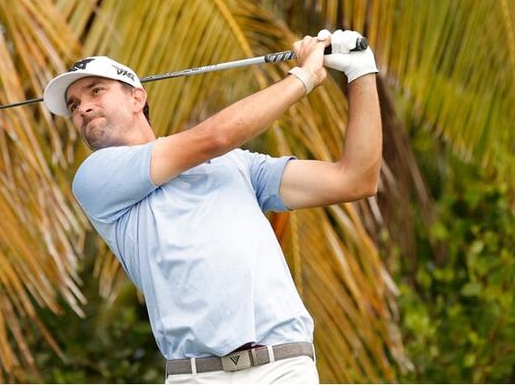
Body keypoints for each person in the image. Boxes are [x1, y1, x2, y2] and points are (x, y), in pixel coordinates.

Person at [41, 30, 381, 384]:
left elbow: (356, 179)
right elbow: (214, 137)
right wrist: (305, 76)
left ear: (137, 97)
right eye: (74, 105)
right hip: (195, 375)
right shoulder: (95, 178)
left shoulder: (239, 165)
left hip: (281, 367)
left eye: (96, 90)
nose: (83, 108)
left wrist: (361, 71)